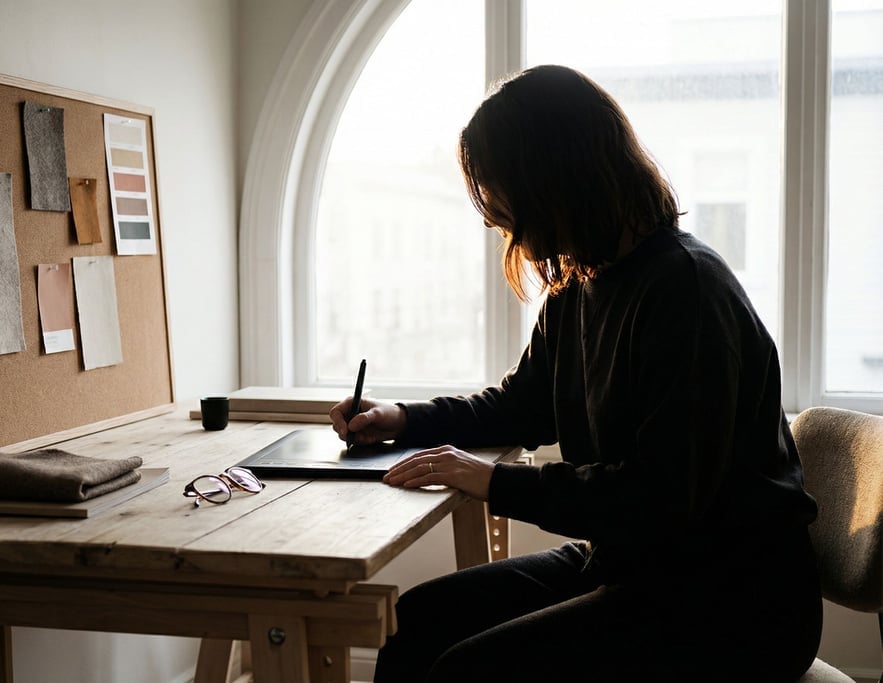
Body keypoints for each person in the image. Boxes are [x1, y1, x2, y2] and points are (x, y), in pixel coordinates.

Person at [330, 65, 822, 683]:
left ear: (554, 179)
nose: (494, 217)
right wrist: (403, 419)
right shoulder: (580, 285)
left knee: (468, 670)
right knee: (418, 620)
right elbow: (520, 405)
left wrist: (498, 482)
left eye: (501, 190)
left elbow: (659, 499)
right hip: (638, 566)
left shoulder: (686, 290)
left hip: (735, 601)